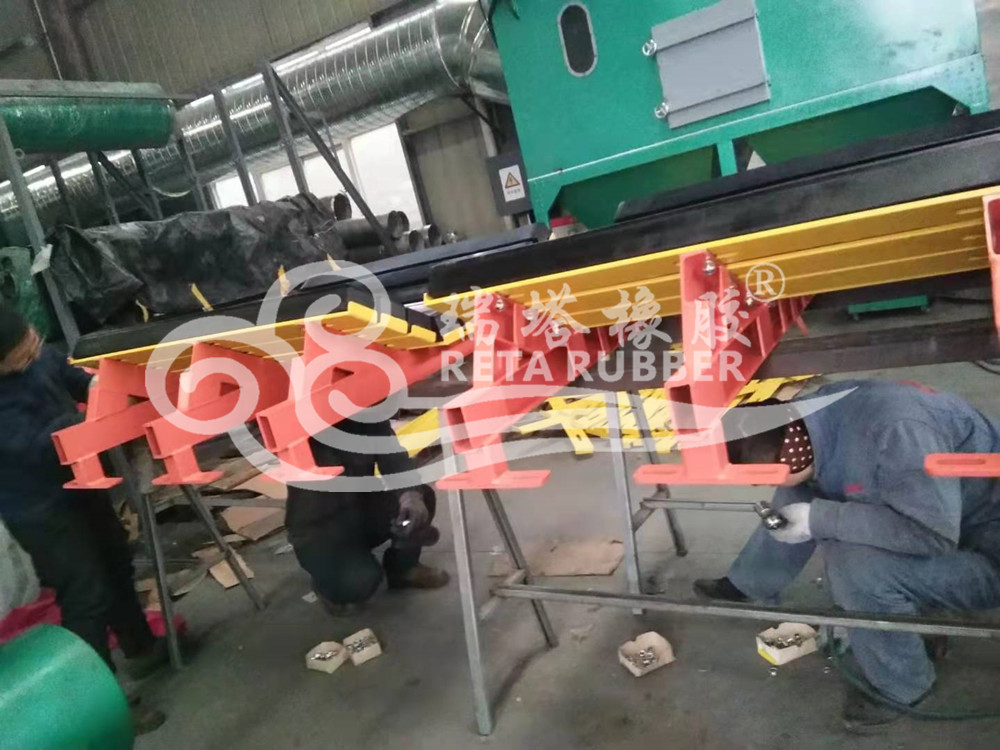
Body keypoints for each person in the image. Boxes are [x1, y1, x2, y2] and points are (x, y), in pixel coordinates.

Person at [694, 379, 1000, 734]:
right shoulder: (814, 418)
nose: (759, 487)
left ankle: (902, 686)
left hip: (984, 548)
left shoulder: (898, 434)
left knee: (854, 566)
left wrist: (821, 519)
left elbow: (931, 534)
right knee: (802, 490)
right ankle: (749, 581)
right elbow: (803, 482)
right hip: (955, 515)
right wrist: (812, 514)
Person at [0, 304, 166, 734]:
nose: (34, 350)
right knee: (85, 595)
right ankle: (99, 701)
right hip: (39, 510)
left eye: (32, 339)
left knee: (116, 561)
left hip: (82, 483)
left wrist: (103, 386)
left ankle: (142, 648)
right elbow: (40, 446)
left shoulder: (39, 355)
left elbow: (69, 373)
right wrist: (94, 418)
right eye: (21, 352)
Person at [287, 417, 449, 614]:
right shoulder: (295, 422)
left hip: (362, 509)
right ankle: (329, 585)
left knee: (420, 499)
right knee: (360, 582)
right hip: (320, 526)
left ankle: (403, 568)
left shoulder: (365, 413)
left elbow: (393, 457)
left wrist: (410, 496)